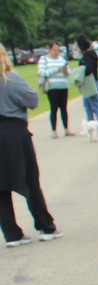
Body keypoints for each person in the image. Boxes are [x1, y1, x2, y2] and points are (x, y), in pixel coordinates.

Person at [0, 42, 62, 246]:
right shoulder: (10, 79)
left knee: (2, 186)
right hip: (13, 132)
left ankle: (11, 233)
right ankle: (45, 226)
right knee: (29, 180)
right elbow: (32, 100)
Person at [37, 43, 74, 138]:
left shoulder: (61, 59)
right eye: (55, 50)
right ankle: (54, 130)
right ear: (49, 50)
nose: (57, 52)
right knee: (54, 108)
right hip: (52, 87)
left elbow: (69, 72)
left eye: (58, 50)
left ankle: (66, 129)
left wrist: (65, 70)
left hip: (63, 86)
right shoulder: (44, 59)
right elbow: (42, 72)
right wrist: (56, 70)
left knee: (64, 108)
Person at [73, 33, 98, 137]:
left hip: (91, 83)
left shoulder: (89, 56)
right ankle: (91, 126)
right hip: (88, 84)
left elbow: (89, 69)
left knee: (95, 105)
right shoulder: (87, 56)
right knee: (87, 105)